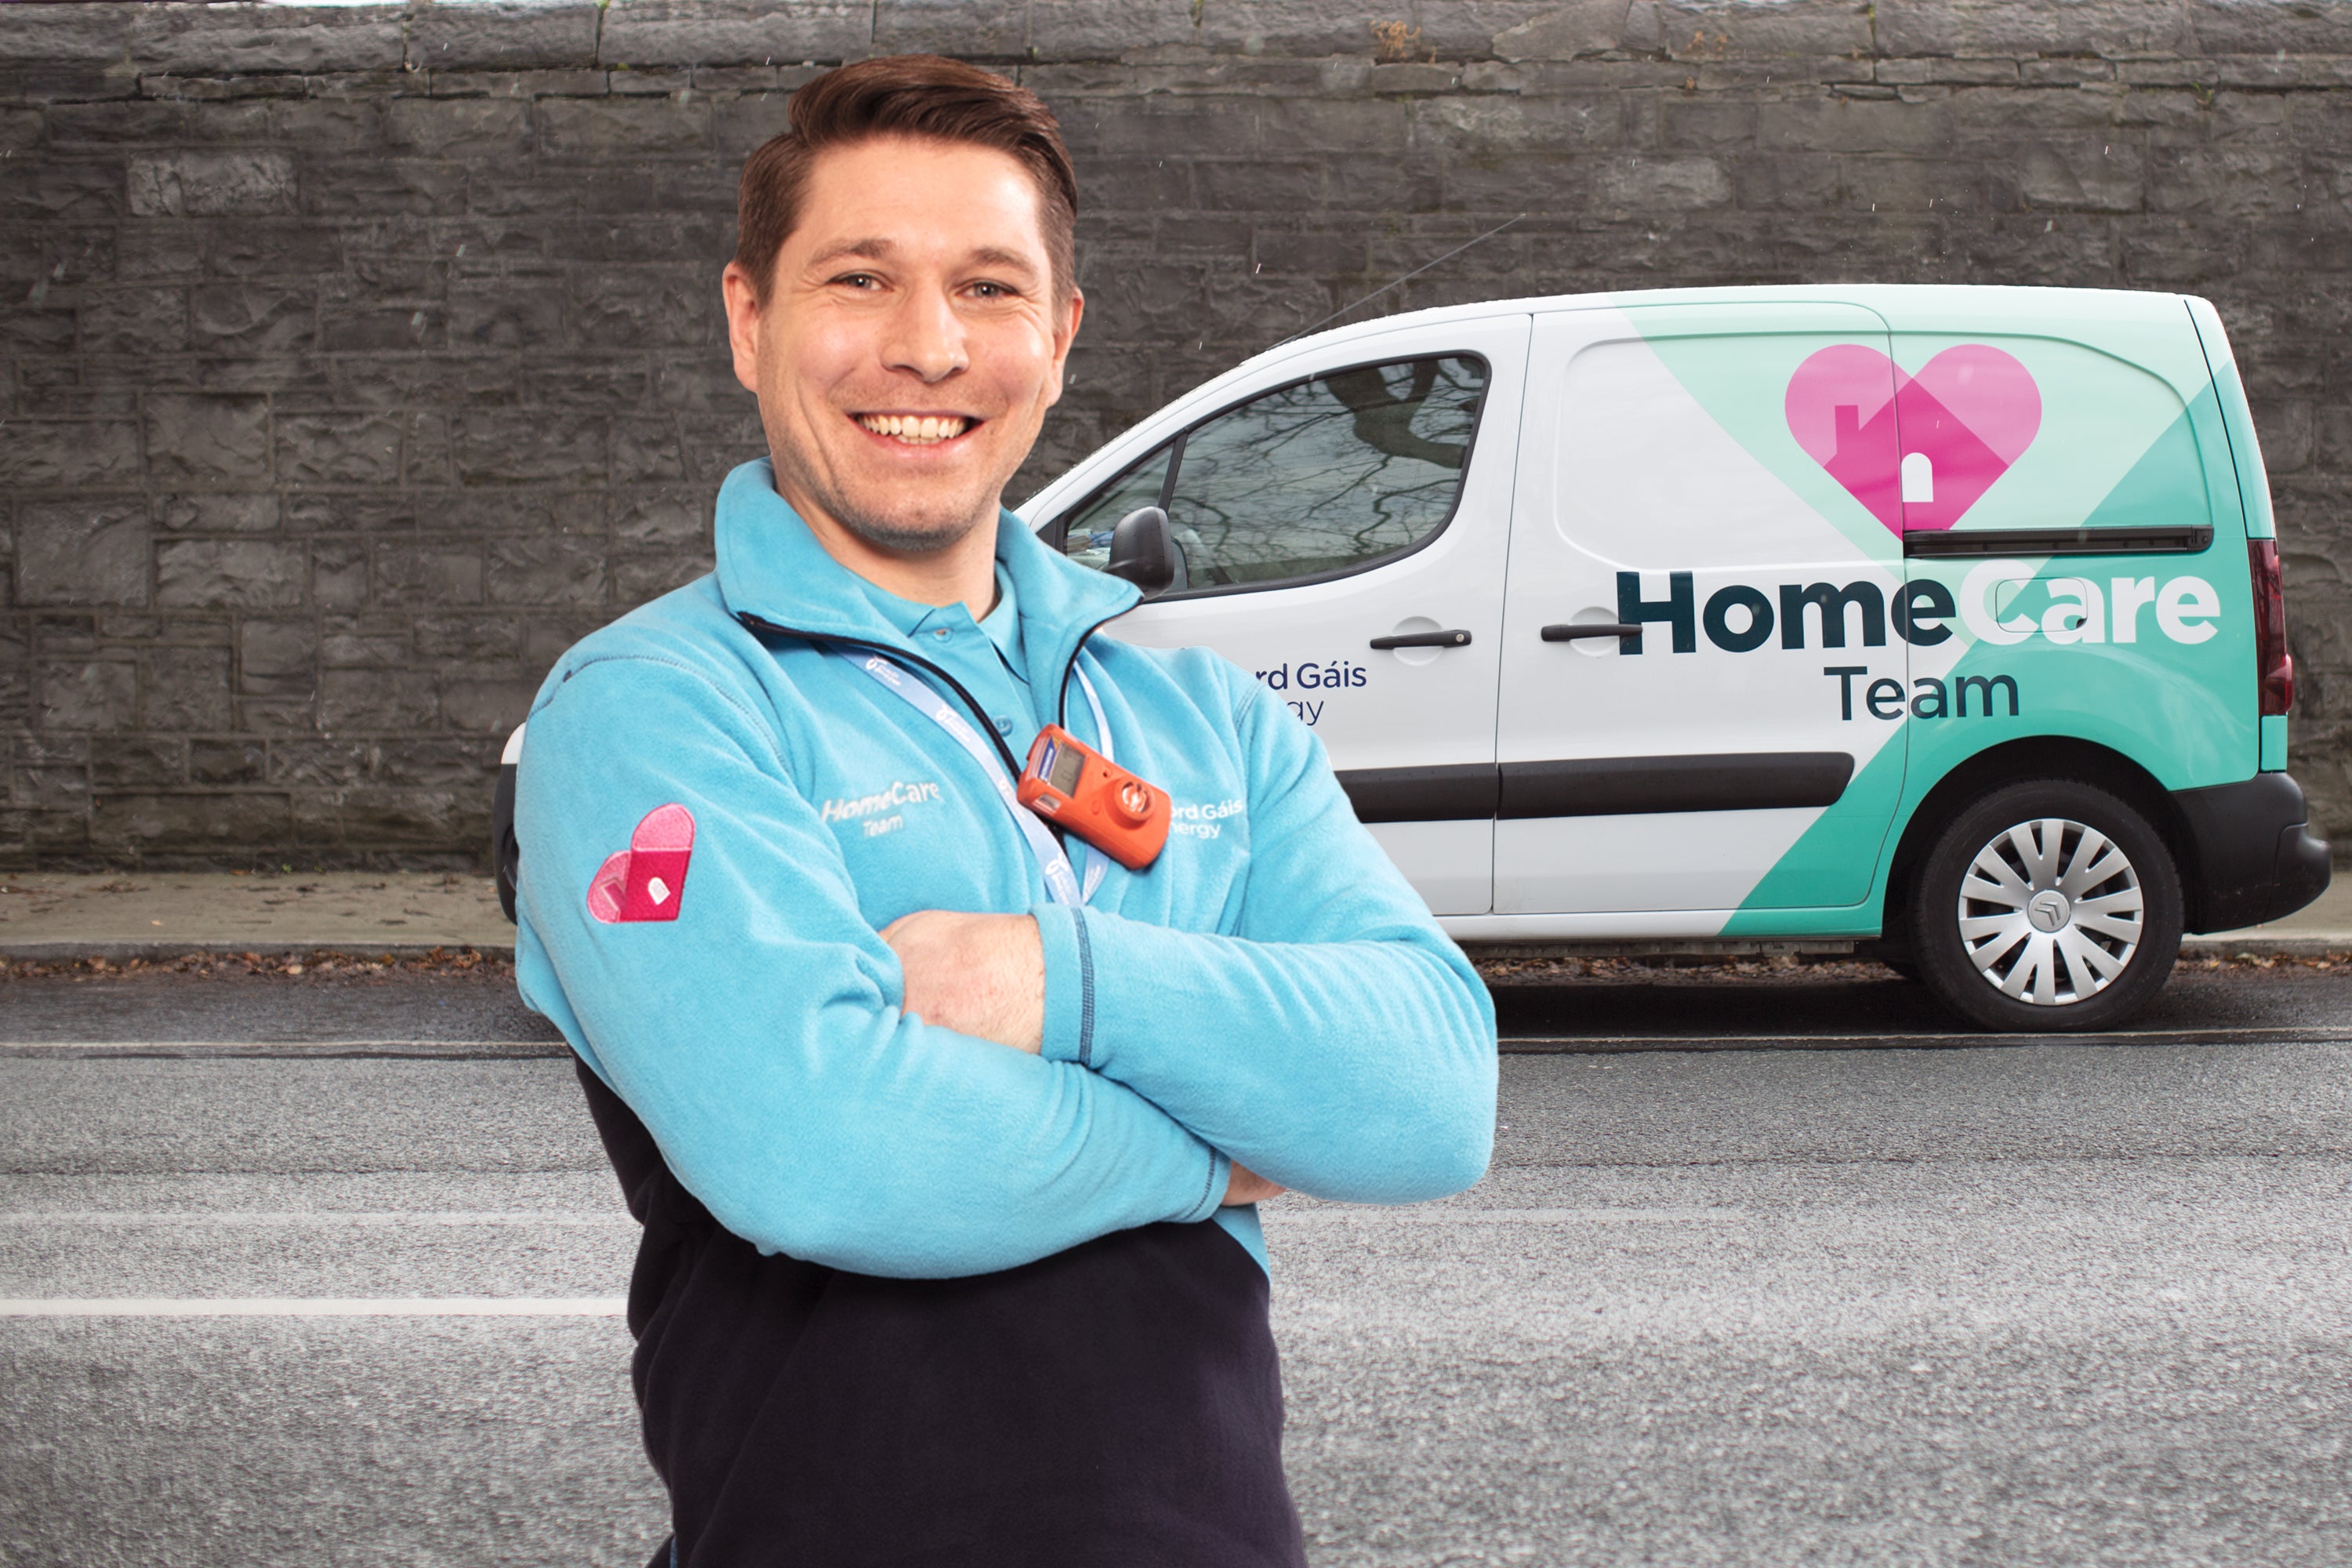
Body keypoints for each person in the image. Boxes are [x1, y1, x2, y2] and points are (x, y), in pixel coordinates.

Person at [512, 53, 1497, 1568]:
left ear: (1058, 338)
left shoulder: (1211, 722)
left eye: (987, 287)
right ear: (749, 321)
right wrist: (1217, 1147)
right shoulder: (654, 707)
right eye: (859, 279)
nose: (926, 350)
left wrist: (1050, 979)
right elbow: (819, 1148)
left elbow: (1431, 1096)